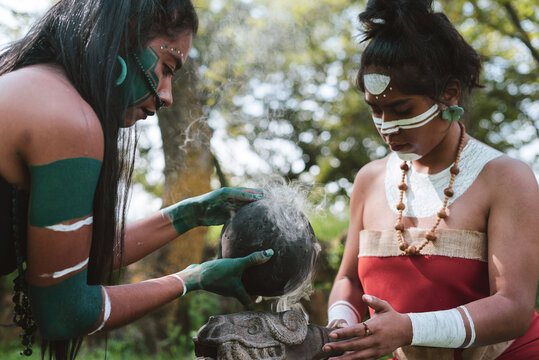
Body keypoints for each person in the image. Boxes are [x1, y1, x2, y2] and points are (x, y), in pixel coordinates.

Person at [0, 0, 273, 359]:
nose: (166, 96)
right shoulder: (67, 119)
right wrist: (192, 279)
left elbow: (77, 254)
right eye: (167, 67)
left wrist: (191, 214)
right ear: (124, 38)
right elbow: (65, 313)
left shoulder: (32, 84)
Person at [322, 0, 539, 359]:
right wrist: (342, 326)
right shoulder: (369, 179)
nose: (386, 128)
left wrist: (409, 328)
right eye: (376, 109)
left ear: (449, 94)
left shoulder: (505, 177)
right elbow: (348, 279)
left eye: (402, 109)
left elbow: (514, 307)